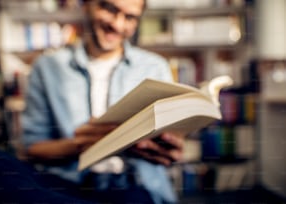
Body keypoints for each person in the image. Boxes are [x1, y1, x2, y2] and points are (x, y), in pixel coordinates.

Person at [22, 0, 185, 203]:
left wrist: (169, 148)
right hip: (70, 186)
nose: (117, 25)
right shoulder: (47, 68)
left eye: (130, 17)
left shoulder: (155, 67)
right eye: (109, 9)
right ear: (86, 5)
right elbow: (32, 148)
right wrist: (82, 144)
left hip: (138, 184)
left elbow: (168, 141)